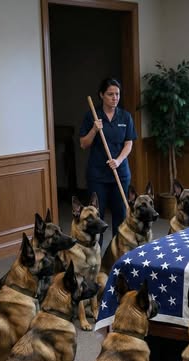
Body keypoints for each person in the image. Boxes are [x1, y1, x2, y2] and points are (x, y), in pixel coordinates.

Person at [79, 77, 137, 240]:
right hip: (98, 175)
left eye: (117, 94)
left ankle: (118, 252)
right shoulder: (92, 116)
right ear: (101, 95)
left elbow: (129, 144)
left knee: (120, 216)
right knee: (97, 217)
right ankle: (97, 253)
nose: (115, 98)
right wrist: (94, 130)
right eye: (110, 94)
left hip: (120, 173)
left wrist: (118, 160)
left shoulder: (125, 117)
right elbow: (83, 144)